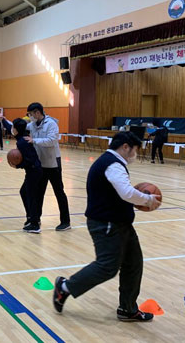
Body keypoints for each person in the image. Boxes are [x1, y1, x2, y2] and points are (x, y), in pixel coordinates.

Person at [53, 132, 162, 322]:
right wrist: (148, 199)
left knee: (133, 264)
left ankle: (127, 309)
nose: (135, 154)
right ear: (125, 147)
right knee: (107, 267)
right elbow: (127, 192)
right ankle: (65, 288)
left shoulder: (109, 162)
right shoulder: (113, 164)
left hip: (120, 223)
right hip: (107, 224)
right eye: (135, 150)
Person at [25, 102, 70, 233]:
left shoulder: (51, 124)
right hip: (41, 163)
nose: (30, 117)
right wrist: (5, 122)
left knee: (59, 192)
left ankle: (65, 221)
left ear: (37, 112)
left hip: (53, 163)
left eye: (31, 114)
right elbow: (21, 127)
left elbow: (51, 140)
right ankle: (36, 220)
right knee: (39, 193)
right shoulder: (32, 125)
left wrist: (34, 141)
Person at [11, 118, 42, 231]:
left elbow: (29, 160)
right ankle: (31, 217)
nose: (11, 129)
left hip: (34, 170)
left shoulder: (22, 142)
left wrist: (18, 165)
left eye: (13, 127)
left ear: (16, 129)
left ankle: (35, 224)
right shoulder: (22, 138)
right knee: (24, 192)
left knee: (30, 196)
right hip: (33, 170)